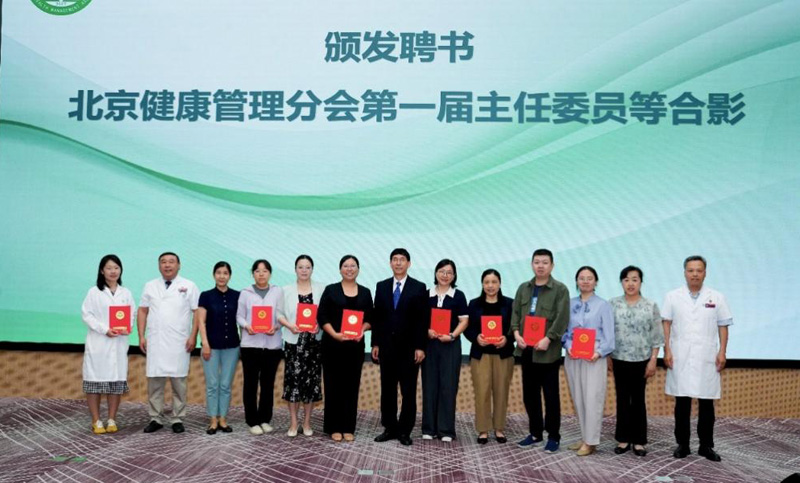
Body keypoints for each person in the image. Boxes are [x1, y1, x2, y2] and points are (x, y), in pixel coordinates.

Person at [663, 255, 732, 462]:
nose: (695, 274)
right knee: (682, 403)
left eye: (699, 270)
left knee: (707, 404)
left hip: (706, 356)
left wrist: (722, 351)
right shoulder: (673, 296)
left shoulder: (716, 297)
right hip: (680, 355)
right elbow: (666, 324)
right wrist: (667, 350)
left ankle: (706, 446)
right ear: (685, 273)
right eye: (691, 270)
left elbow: (723, 325)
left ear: (705, 273)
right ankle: (683, 444)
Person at [511, 248, 570, 453]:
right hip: (526, 350)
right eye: (537, 262)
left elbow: (562, 318)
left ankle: (553, 436)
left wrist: (548, 338)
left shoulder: (560, 289)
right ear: (532, 264)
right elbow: (516, 313)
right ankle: (535, 433)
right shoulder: (523, 288)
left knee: (551, 396)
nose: (541, 266)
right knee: (530, 394)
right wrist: (516, 334)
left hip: (548, 351)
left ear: (552, 265)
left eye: (545, 262)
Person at [137, 252, 200, 434]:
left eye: (171, 262)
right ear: (159, 266)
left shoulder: (189, 285)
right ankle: (155, 417)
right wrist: (141, 336)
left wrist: (193, 336)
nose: (167, 265)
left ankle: (177, 418)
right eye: (163, 262)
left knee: (179, 382)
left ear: (179, 265)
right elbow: (142, 311)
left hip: (179, 341)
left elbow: (197, 312)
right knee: (155, 382)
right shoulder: (150, 285)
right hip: (156, 340)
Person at [371, 248, 429, 446]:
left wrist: (420, 347)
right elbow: (377, 317)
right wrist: (375, 343)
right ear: (390, 263)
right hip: (386, 348)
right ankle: (389, 427)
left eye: (402, 260)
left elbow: (422, 320)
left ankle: (405, 430)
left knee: (408, 391)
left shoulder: (419, 287)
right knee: (387, 390)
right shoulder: (381, 286)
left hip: (409, 350)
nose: (398, 263)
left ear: (408, 263)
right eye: (394, 259)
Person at [609, 265, 664, 456]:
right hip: (619, 358)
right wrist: (607, 356)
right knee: (622, 399)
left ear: (641, 282)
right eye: (626, 280)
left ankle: (639, 441)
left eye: (634, 279)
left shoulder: (650, 305)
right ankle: (623, 439)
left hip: (642, 360)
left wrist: (653, 359)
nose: (630, 283)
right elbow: (607, 332)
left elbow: (657, 335)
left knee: (638, 400)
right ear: (621, 282)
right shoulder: (613, 304)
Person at [318, 255, 373, 442]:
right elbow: (322, 316)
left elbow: (371, 318)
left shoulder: (365, 292)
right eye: (346, 266)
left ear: (358, 269)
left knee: (351, 386)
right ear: (340, 269)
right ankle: (333, 426)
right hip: (332, 345)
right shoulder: (331, 290)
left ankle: (348, 427)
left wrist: (362, 330)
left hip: (355, 348)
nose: (349, 269)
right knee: (333, 386)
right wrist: (334, 334)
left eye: (353, 265)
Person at [562, 266, 615, 456]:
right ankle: (584, 436)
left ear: (596, 282)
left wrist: (599, 353)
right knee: (578, 398)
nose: (585, 281)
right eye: (582, 278)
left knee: (592, 398)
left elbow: (609, 336)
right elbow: (564, 331)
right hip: (573, 356)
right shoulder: (569, 303)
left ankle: (591, 441)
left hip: (594, 357)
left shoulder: (603, 305)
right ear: (577, 281)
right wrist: (568, 346)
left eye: (589, 278)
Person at [81, 254, 135, 434]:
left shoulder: (126, 293)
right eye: (109, 268)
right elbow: (87, 315)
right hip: (99, 343)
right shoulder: (93, 292)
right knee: (94, 383)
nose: (113, 271)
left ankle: (112, 419)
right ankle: (96, 420)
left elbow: (131, 314)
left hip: (118, 343)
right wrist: (104, 329)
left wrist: (127, 327)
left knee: (115, 383)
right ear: (102, 271)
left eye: (116, 268)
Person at [236, 259, 288, 435]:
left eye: (265, 271)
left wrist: (277, 326)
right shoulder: (245, 293)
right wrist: (246, 326)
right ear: (253, 274)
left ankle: (265, 419)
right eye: (257, 271)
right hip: (250, 345)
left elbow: (282, 314)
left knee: (267, 384)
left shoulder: (277, 291)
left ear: (270, 273)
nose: (261, 274)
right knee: (250, 384)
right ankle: (252, 421)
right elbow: (239, 316)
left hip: (272, 346)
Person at [464, 269, 514, 445]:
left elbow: (515, 327)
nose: (490, 286)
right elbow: (467, 328)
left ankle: (499, 428)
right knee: (482, 392)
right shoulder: (474, 304)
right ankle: (483, 430)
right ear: (482, 284)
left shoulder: (510, 304)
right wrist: (476, 337)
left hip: (503, 355)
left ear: (499, 283)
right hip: (481, 355)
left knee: (501, 392)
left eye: (494, 282)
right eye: (487, 282)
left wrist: (507, 339)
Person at [421, 259, 469, 442]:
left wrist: (452, 335)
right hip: (430, 345)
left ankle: (446, 430)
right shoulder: (427, 295)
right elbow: (419, 319)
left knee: (448, 386)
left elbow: (464, 320)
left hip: (450, 345)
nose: (445, 275)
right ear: (436, 273)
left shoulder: (458, 295)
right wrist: (427, 330)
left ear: (454, 276)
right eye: (441, 271)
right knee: (429, 385)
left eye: (449, 272)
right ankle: (429, 428)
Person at [281, 255, 325, 437]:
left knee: (311, 384)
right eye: (301, 267)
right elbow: (279, 314)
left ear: (312, 269)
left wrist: (319, 325)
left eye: (307, 267)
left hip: (313, 344)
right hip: (294, 343)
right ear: (295, 269)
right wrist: (289, 325)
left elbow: (325, 314)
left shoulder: (321, 289)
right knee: (293, 384)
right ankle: (293, 422)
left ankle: (307, 422)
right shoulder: (286, 290)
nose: (304, 270)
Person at [195, 261, 240, 435]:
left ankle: (223, 419)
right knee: (212, 385)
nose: (222, 276)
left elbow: (241, 321)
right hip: (211, 347)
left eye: (225, 273)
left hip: (232, 347)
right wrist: (205, 343)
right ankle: (213, 419)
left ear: (230, 276)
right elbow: (201, 322)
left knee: (225, 385)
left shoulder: (237, 295)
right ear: (214, 275)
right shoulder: (206, 296)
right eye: (219, 272)